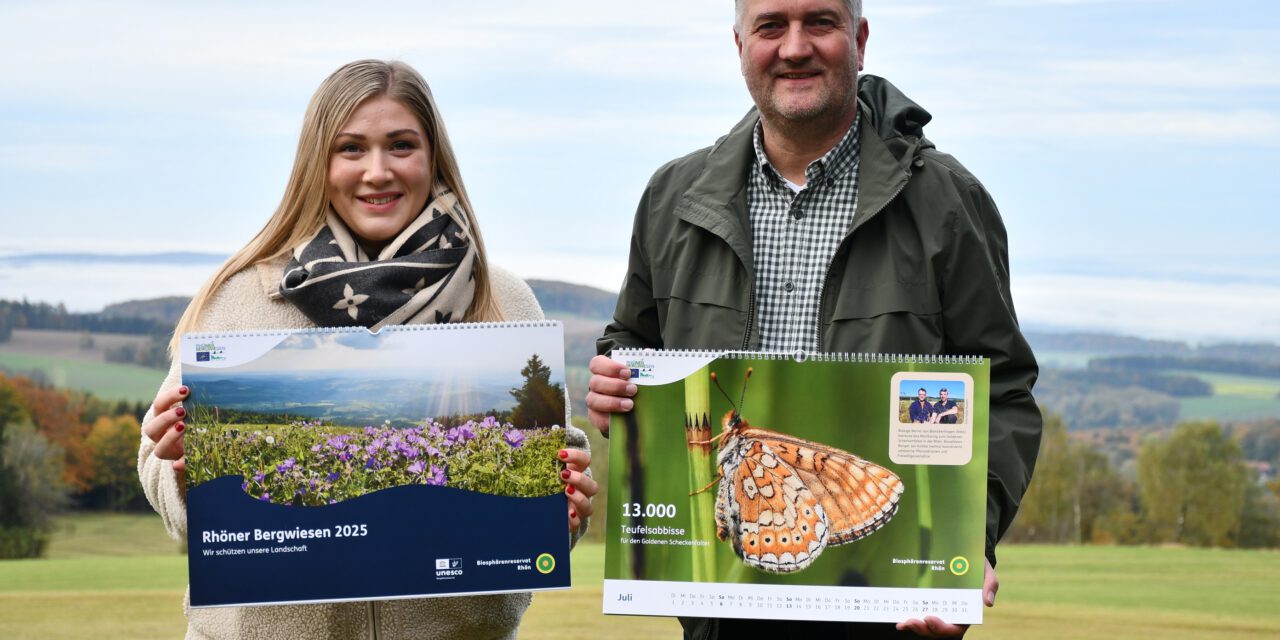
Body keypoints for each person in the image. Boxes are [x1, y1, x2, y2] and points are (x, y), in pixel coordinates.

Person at [586, 1, 1041, 637]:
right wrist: (613, 385)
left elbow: (1003, 391)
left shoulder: (946, 201)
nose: (794, 47)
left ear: (859, 38)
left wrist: (972, 541)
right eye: (771, 26)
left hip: (886, 610)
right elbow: (634, 343)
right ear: (739, 43)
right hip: (719, 610)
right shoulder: (671, 199)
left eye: (819, 23)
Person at [138, 59, 597, 640]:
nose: (377, 171)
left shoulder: (501, 297)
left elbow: (549, 464)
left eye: (400, 146)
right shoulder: (239, 297)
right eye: (351, 149)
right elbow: (158, 467)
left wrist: (563, 502)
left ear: (432, 157)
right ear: (317, 164)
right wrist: (183, 471)